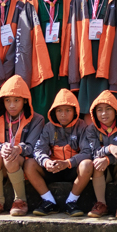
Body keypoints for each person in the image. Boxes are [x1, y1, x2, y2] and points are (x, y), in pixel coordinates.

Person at [0, 74, 38, 216]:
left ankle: (20, 200)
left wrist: (18, 149)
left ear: (25, 101)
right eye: (7, 100)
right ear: (2, 101)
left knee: (10, 157)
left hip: (22, 163)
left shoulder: (37, 119)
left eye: (16, 100)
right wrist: (3, 147)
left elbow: (33, 147)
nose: (12, 105)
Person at [30, 86, 91, 216]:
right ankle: (49, 201)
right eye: (59, 111)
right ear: (53, 112)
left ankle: (71, 201)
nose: (63, 114)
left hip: (73, 170)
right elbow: (38, 150)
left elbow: (87, 151)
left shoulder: (82, 126)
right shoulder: (48, 127)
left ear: (75, 111)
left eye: (68, 110)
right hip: (52, 169)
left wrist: (68, 163)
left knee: (87, 164)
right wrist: (46, 162)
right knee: (29, 164)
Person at [85, 89, 117, 219]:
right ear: (94, 113)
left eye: (108, 109)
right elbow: (94, 152)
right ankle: (101, 203)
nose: (104, 113)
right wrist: (109, 148)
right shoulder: (91, 129)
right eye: (99, 110)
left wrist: (107, 160)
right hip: (102, 171)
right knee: (96, 162)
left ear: (116, 111)